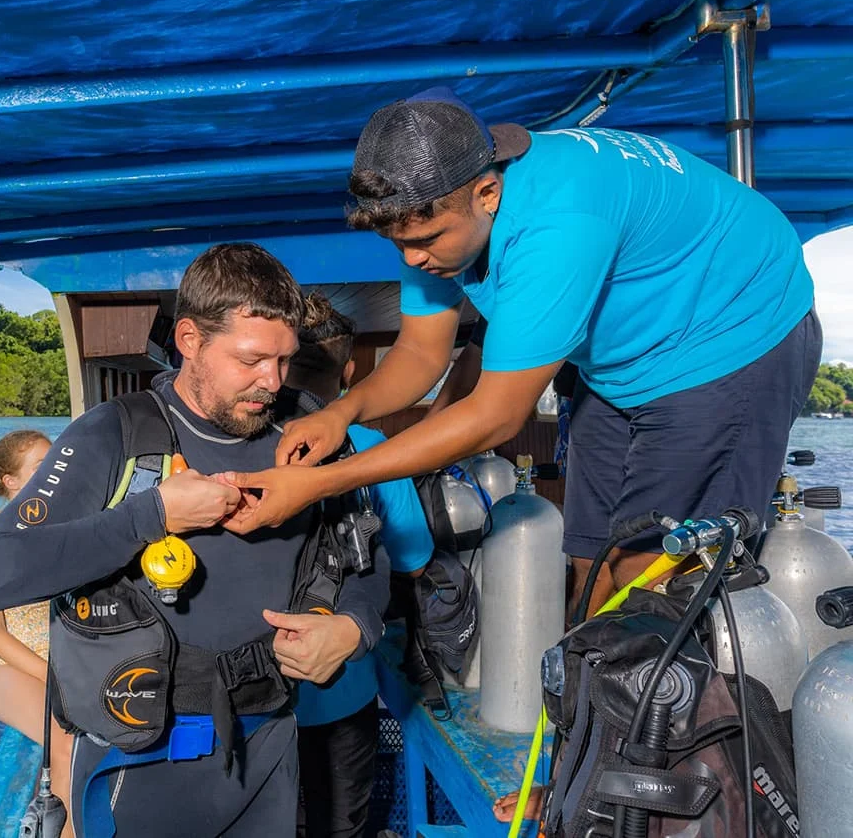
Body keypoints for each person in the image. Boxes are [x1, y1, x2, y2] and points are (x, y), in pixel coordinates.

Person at [219, 85, 821, 823]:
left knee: (658, 580)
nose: (412, 257)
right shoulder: (433, 208)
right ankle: (578, 760)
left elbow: (495, 416)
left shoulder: (557, 220)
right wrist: (342, 411)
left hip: (733, 344)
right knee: (590, 562)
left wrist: (324, 483)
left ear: (487, 192)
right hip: (624, 362)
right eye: (397, 242)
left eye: (425, 239)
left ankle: (656, 787)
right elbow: (420, 351)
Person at [0, 243, 390, 838]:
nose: (271, 383)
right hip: (138, 760)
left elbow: (366, 554)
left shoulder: (308, 427)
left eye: (284, 360)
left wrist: (353, 628)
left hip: (268, 745)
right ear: (191, 340)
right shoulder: (114, 433)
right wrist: (152, 515)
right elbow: (3, 570)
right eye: (250, 360)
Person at [285, 293, 433, 838]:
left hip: (251, 709)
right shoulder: (371, 448)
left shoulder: (236, 447)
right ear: (349, 372)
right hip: (342, 694)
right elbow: (414, 563)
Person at [0, 429, 73, 837]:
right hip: (10, 664)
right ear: (11, 481)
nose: (58, 473)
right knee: (64, 738)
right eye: (44, 467)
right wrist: (55, 678)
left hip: (67, 660)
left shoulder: (71, 526)